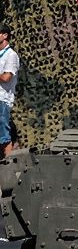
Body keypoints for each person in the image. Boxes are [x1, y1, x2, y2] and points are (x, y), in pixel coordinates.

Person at [0, 22, 19, 160]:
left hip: (2, 99)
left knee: (3, 137)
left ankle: (9, 165)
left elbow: (7, 77)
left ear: (5, 35)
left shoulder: (11, 55)